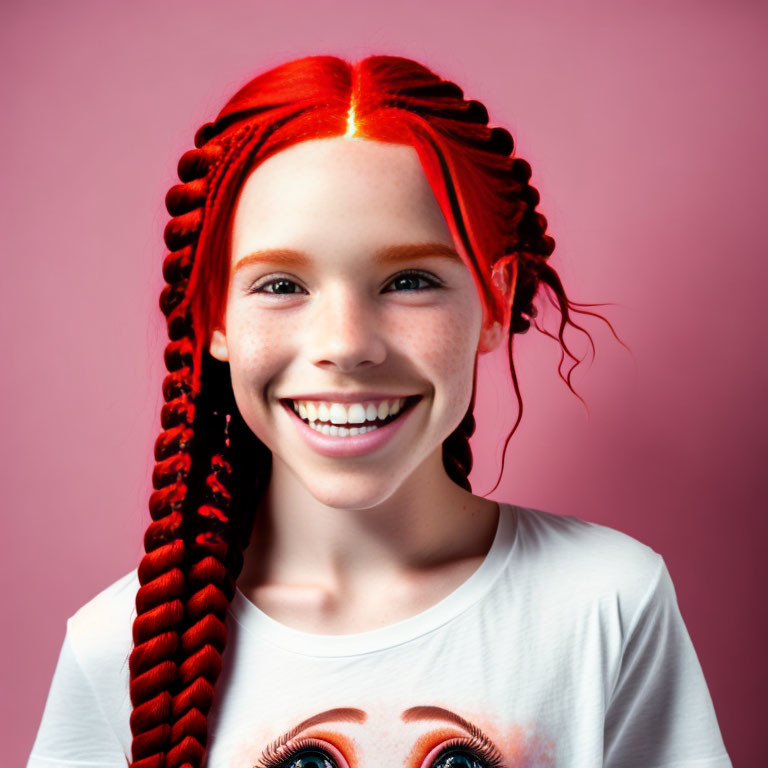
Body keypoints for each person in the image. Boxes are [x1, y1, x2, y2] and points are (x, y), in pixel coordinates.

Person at [27, 55, 731, 768]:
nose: (346, 344)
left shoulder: (606, 601)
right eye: (280, 284)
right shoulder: (116, 648)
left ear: (496, 302)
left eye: (409, 280)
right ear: (212, 317)